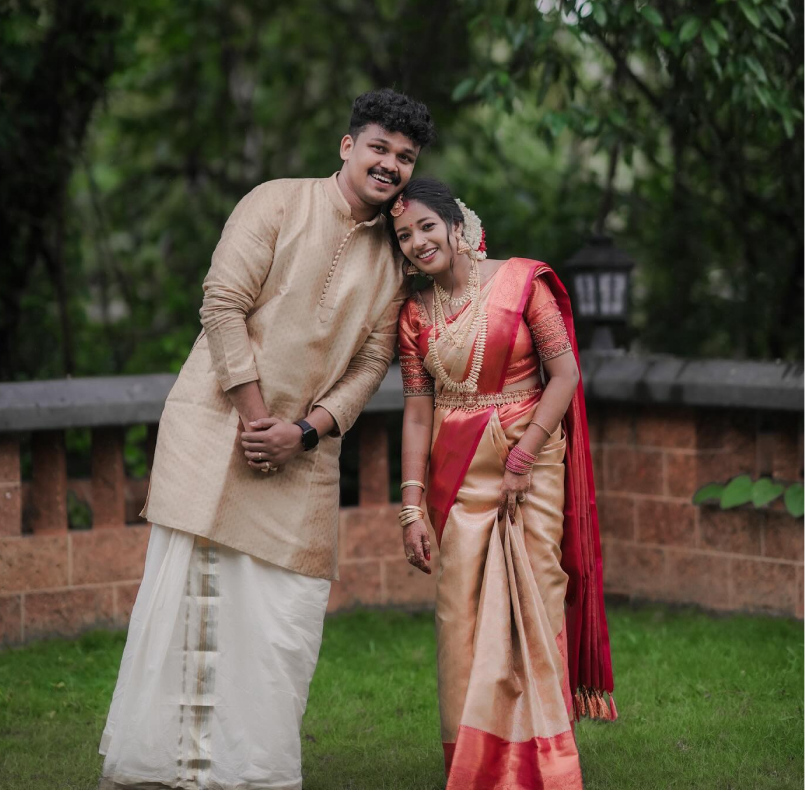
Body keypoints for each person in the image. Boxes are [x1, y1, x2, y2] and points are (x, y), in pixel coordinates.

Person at [97, 90, 431, 788]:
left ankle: (252, 773)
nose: (390, 165)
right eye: (379, 148)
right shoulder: (276, 202)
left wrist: (305, 431)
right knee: (196, 597)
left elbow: (374, 362)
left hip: (304, 454)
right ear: (347, 146)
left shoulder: (393, 257)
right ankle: (172, 768)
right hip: (220, 428)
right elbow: (222, 304)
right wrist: (256, 420)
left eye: (404, 158)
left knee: (284, 619)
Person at [391, 178, 614, 789]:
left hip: (530, 456)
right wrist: (411, 507)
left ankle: (542, 758)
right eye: (404, 236)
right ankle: (473, 759)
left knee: (532, 601)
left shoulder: (522, 283)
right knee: (458, 614)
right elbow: (417, 408)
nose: (417, 242)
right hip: (456, 468)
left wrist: (523, 457)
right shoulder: (414, 312)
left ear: (456, 226)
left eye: (426, 228)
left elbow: (565, 372)